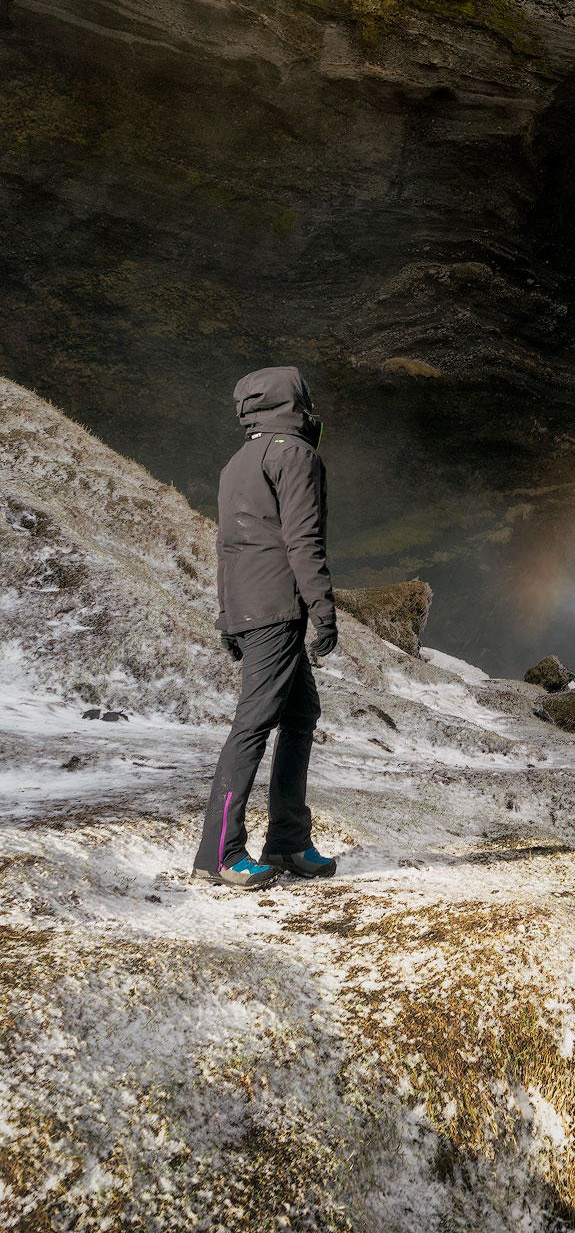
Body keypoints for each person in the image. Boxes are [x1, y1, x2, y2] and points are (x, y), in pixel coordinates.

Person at [193, 366, 340, 888]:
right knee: (253, 724)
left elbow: (228, 546)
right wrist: (323, 609)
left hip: (250, 605)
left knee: (300, 714)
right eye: (306, 397)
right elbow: (303, 540)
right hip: (277, 607)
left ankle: (287, 842)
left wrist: (226, 615)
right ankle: (219, 854)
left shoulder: (237, 461)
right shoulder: (296, 454)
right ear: (292, 402)